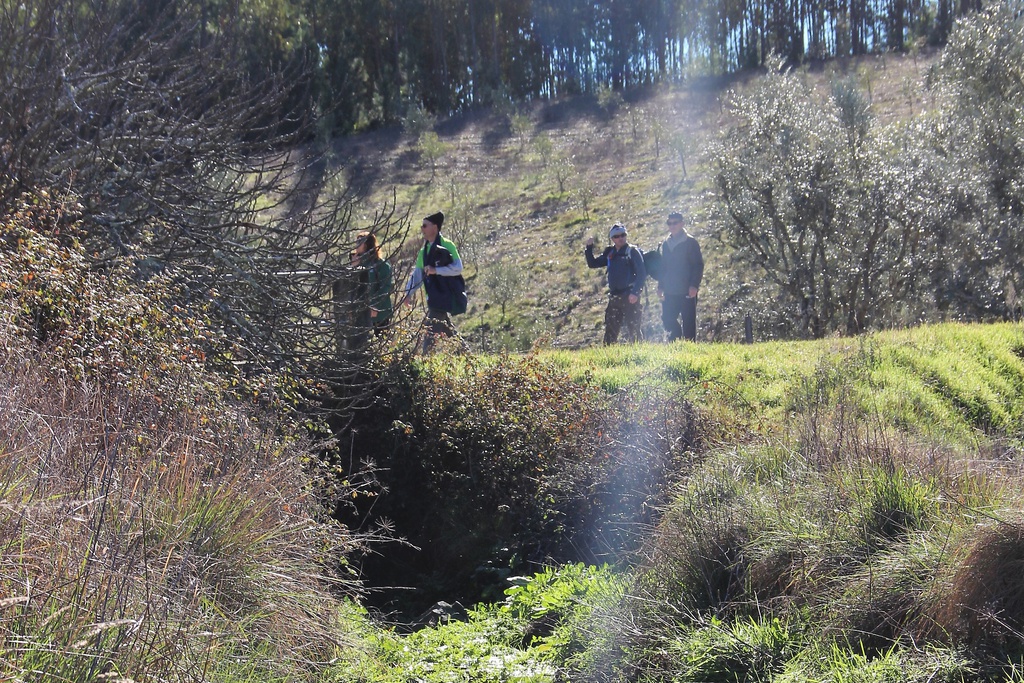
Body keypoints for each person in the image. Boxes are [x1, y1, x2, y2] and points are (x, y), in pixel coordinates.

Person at [403, 211, 463, 352]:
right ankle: (467, 355)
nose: (422, 229)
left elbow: (458, 268)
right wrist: (408, 293)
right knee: (448, 330)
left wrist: (437, 270)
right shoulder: (424, 251)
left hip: (446, 296)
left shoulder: (448, 245)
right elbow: (417, 275)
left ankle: (425, 361)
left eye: (425, 226)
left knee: (430, 331)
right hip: (434, 297)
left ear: (434, 228)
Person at [585, 223, 647, 345]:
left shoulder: (632, 251)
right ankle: (608, 357)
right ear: (612, 239)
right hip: (614, 297)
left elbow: (642, 274)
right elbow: (592, 264)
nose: (621, 238)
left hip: (630, 296)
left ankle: (640, 356)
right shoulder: (610, 253)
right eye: (617, 236)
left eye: (623, 235)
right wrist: (589, 248)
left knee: (634, 330)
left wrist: (635, 293)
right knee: (610, 331)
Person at [657, 211, 704, 342]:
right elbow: (663, 267)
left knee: (689, 323)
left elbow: (698, 265)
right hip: (670, 290)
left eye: (675, 223)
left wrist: (694, 285)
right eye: (669, 223)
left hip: (687, 290)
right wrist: (660, 286)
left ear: (682, 223)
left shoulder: (691, 242)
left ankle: (690, 351)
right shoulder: (665, 244)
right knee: (667, 318)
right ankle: (676, 343)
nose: (672, 226)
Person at [351, 231, 393, 345]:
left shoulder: (381, 265)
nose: (356, 245)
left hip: (380, 313)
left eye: (359, 242)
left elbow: (385, 288)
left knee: (381, 342)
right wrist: (353, 268)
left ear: (367, 245)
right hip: (360, 311)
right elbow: (350, 285)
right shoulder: (356, 263)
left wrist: (375, 306)